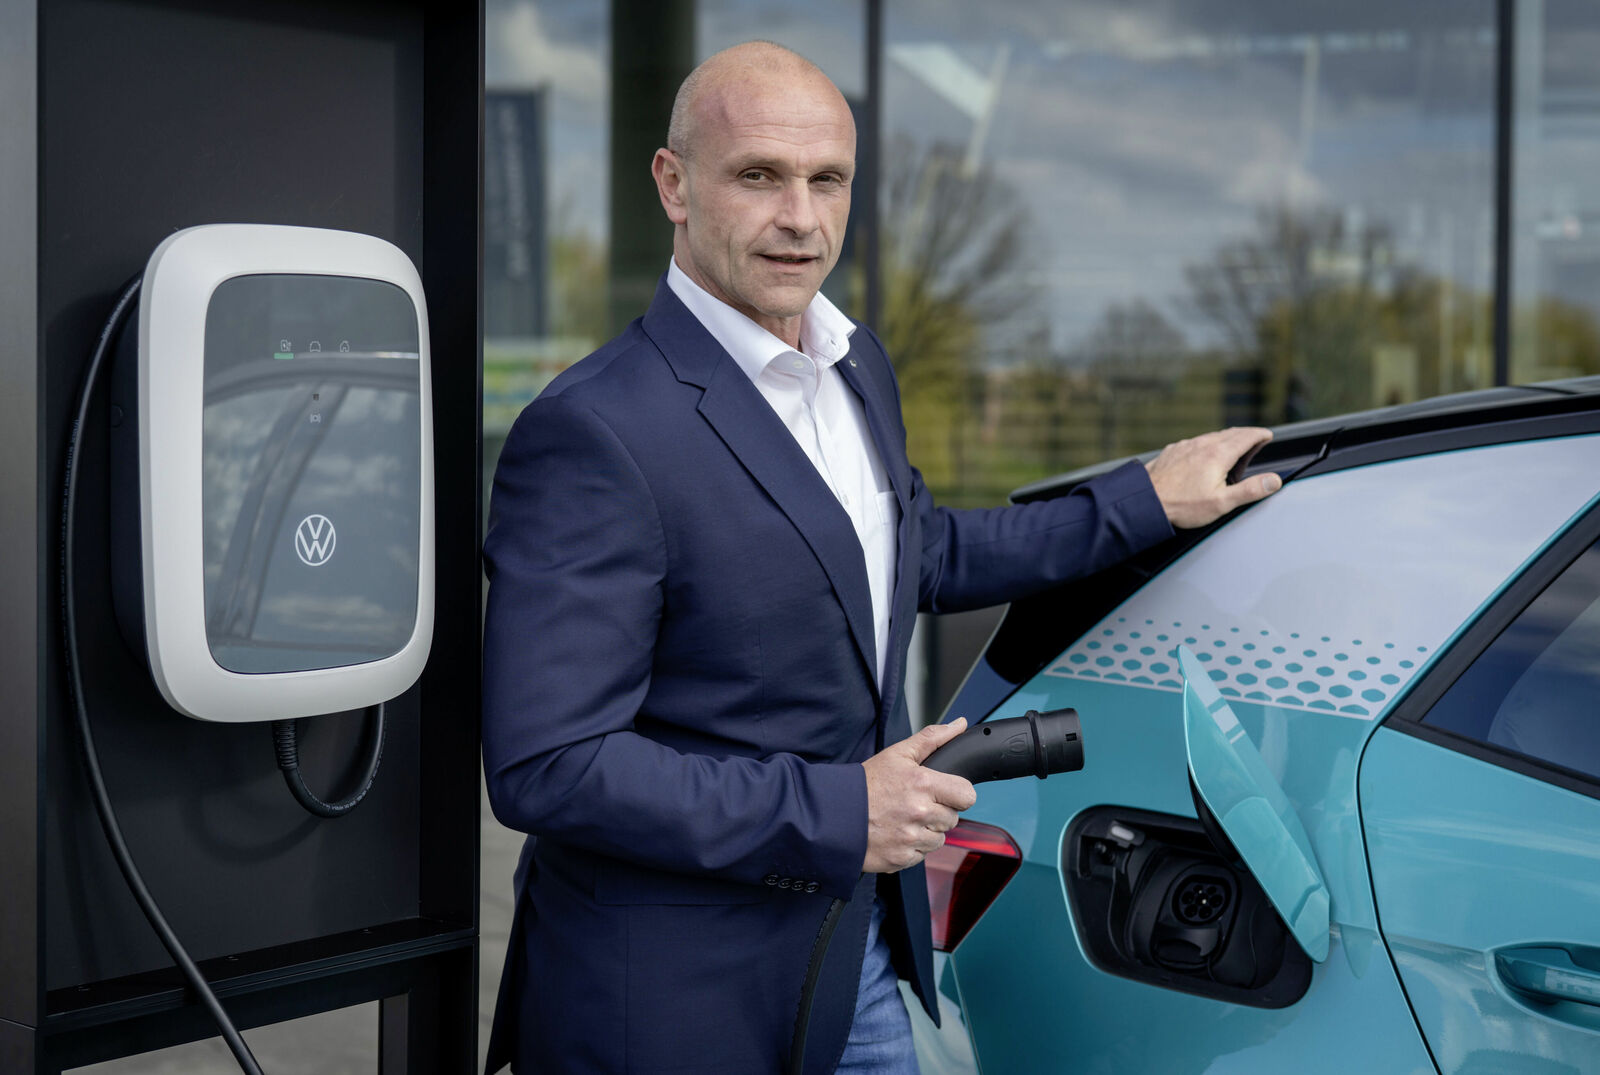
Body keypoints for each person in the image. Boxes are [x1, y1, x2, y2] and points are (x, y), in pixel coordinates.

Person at [481, 40, 1280, 1075]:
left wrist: (1141, 502)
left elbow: (912, 552)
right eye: (759, 175)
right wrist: (837, 810)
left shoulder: (854, 364)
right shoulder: (594, 432)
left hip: (854, 951)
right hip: (679, 996)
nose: (801, 218)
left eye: (827, 180)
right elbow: (549, 765)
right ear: (673, 185)